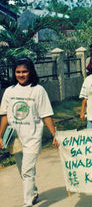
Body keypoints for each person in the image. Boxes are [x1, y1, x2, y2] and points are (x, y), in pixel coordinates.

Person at [0, 57, 58, 207]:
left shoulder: (38, 90)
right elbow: (5, 116)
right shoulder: (9, 91)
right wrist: (0, 135)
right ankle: (33, 192)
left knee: (27, 170)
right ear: (14, 73)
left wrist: (54, 134)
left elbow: (46, 114)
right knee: (22, 171)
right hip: (15, 138)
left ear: (31, 71)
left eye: (24, 71)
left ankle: (27, 203)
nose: (21, 75)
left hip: (32, 137)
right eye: (18, 72)